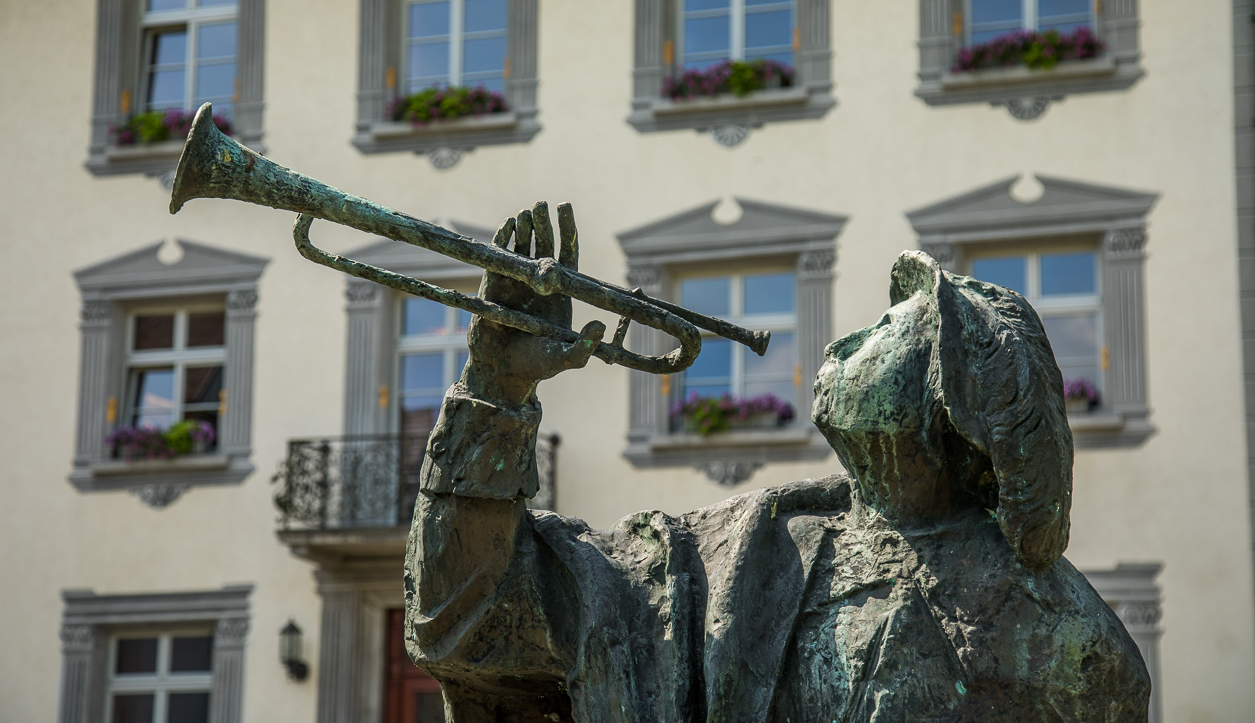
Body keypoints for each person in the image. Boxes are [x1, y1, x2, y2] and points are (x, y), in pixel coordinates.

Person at [404, 203, 1150, 723]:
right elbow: (467, 620)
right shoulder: (726, 556)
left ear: (949, 401)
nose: (843, 341)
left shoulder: (1074, 642)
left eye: (885, 332)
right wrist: (494, 390)